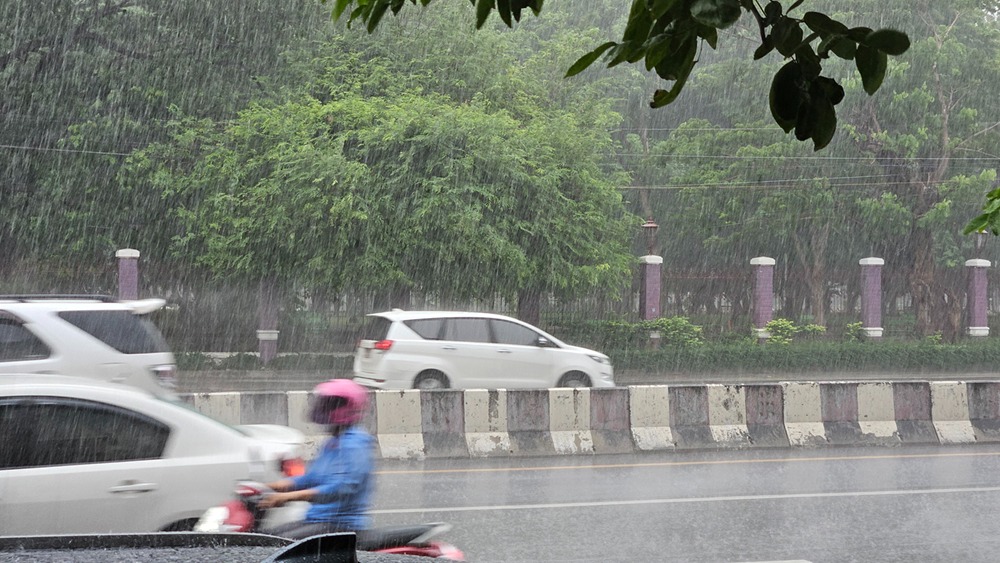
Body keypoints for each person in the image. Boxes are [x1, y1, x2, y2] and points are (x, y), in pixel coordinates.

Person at [259, 378, 375, 540]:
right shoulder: (333, 442)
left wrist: (288, 497)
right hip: (318, 520)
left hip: (342, 526)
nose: (322, 409)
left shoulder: (355, 444)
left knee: (275, 546)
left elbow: (343, 488)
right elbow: (312, 478)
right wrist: (267, 487)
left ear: (344, 407)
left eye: (328, 404)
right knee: (262, 538)